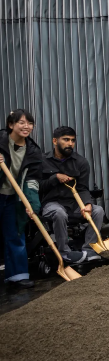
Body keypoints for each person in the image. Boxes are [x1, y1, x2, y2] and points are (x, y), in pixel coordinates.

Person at [40, 126, 105, 265]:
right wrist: (54, 178)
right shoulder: (43, 161)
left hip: (73, 204)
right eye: (66, 140)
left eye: (73, 140)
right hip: (51, 203)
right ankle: (64, 252)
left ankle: (89, 250)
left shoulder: (80, 162)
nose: (70, 143)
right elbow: (37, 187)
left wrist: (87, 203)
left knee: (98, 211)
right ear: (55, 141)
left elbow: (82, 188)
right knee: (59, 213)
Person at [0, 110, 41, 290]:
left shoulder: (32, 151)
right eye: (22, 123)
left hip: (13, 198)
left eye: (29, 123)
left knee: (15, 234)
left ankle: (17, 275)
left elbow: (32, 180)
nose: (26, 127)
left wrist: (31, 203)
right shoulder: (1, 142)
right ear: (11, 125)